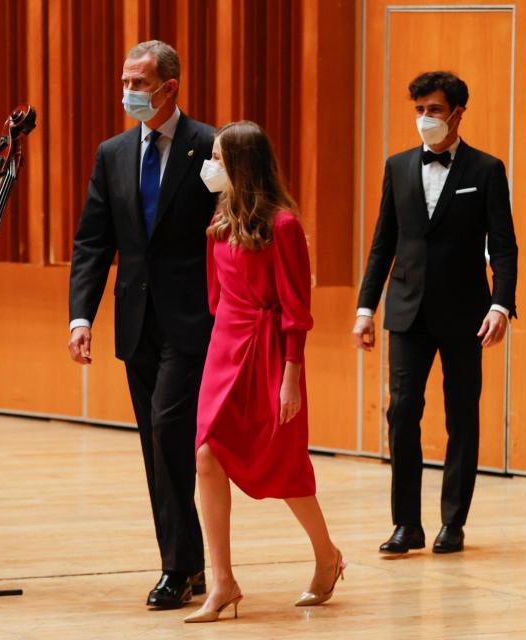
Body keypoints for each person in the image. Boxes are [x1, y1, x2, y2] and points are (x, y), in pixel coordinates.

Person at [68, 40, 216, 609]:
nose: (129, 91)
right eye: (125, 79)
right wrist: (83, 314)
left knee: (167, 429)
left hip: (194, 319)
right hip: (136, 321)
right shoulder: (113, 152)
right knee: (157, 446)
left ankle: (178, 568)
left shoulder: (208, 146)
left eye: (139, 81)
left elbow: (231, 226)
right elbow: (93, 241)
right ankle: (188, 560)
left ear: (169, 87)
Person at [185, 121, 344, 623]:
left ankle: (326, 555)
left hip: (272, 352)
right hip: (224, 349)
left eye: (217, 156)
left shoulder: (284, 226)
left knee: (284, 464)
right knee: (207, 455)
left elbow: (298, 308)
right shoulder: (217, 224)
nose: (209, 166)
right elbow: (216, 299)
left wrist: (290, 375)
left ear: (241, 165)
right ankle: (223, 581)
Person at [353, 71, 518, 555]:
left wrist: (501, 304)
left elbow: (504, 247)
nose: (425, 118)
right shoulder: (397, 165)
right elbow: (383, 244)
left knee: (461, 416)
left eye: (434, 110)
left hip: (466, 313)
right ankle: (407, 524)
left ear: (458, 113)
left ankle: (453, 523)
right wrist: (366, 307)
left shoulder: (486, 170)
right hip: (405, 312)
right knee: (402, 412)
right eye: (419, 109)